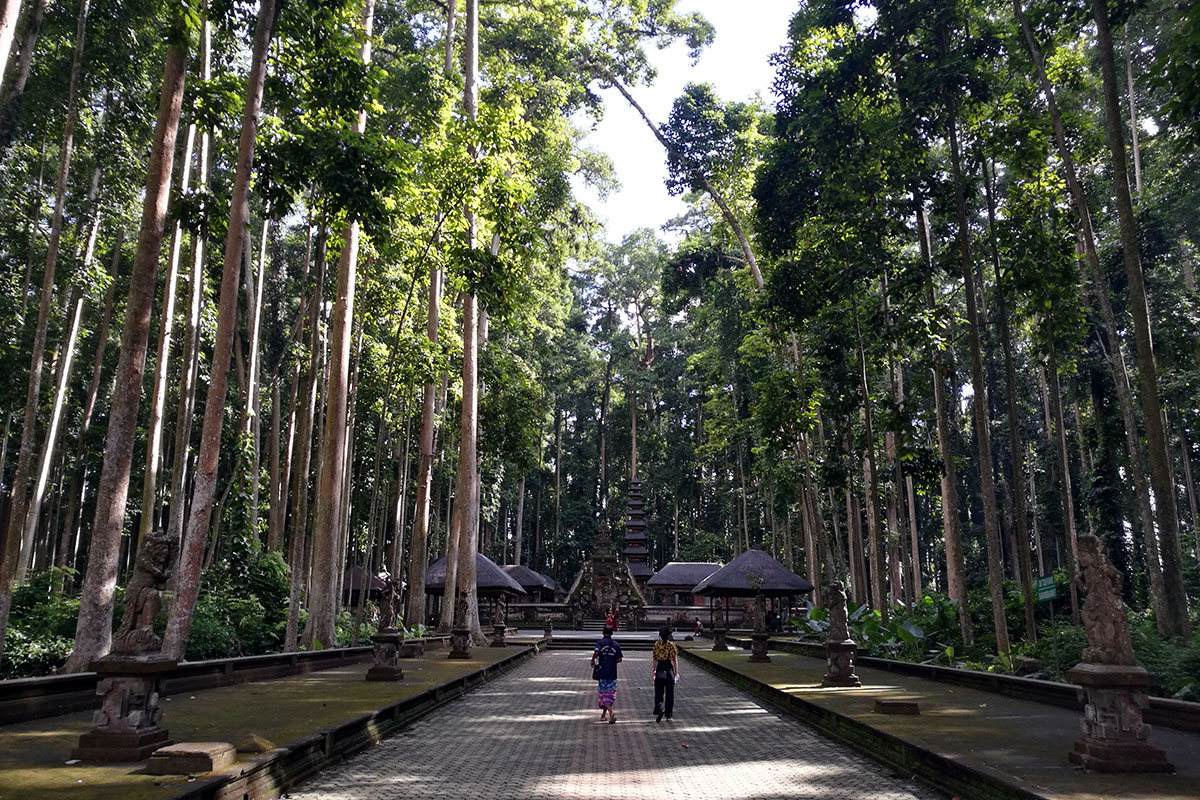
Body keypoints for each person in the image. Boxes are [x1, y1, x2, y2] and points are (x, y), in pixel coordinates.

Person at [591, 626, 623, 723]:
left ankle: (611, 712)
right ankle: (603, 715)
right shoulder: (616, 644)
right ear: (612, 633)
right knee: (609, 694)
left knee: (603, 694)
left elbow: (596, 653)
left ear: (602, 633)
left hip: (603, 672)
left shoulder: (600, 643)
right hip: (613, 673)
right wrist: (611, 661)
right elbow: (619, 659)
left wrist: (593, 660)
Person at [651, 626, 679, 723]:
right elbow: (675, 660)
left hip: (660, 668)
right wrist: (676, 673)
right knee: (669, 693)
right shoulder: (672, 645)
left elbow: (654, 659)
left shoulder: (656, 645)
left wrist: (653, 670)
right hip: (668, 668)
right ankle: (668, 715)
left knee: (659, 691)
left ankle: (659, 708)